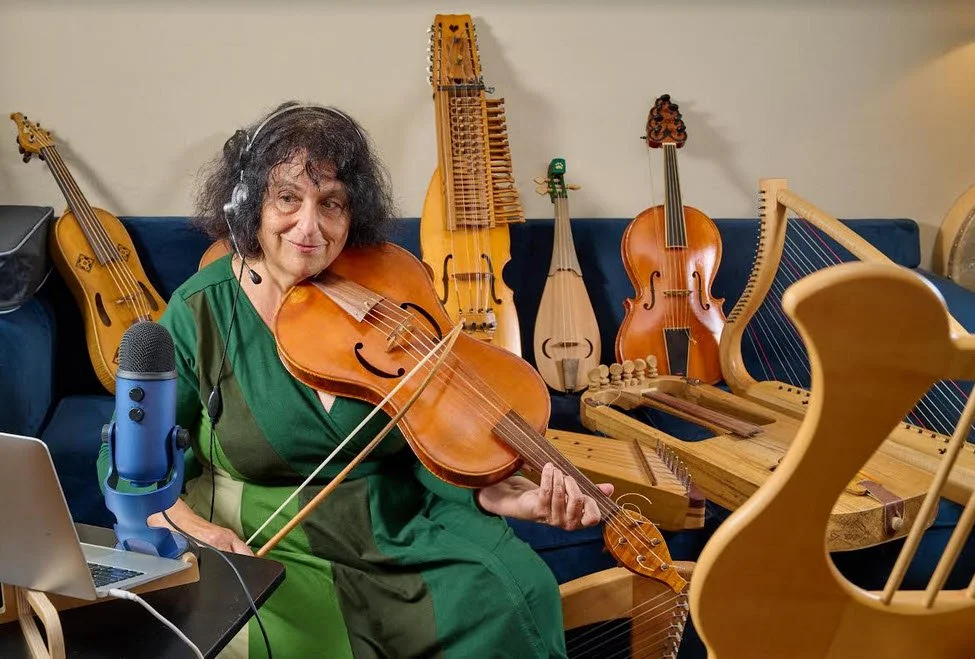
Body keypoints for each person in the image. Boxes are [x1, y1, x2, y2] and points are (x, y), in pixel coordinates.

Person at [97, 101, 612, 658]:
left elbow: (429, 433)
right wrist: (192, 526)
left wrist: (497, 493)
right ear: (249, 204)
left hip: (396, 525)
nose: (309, 226)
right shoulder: (201, 309)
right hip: (265, 532)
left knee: (518, 590)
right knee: (282, 638)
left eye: (332, 204)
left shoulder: (386, 290)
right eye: (288, 198)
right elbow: (134, 459)